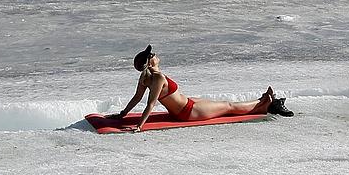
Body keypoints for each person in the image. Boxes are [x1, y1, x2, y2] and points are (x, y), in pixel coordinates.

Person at [111, 45, 292, 132]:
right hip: (187, 112)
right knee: (228, 106)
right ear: (151, 60)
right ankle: (265, 104)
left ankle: (261, 102)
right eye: (154, 54)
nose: (157, 55)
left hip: (186, 105)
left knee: (220, 104)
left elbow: (136, 98)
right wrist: (139, 126)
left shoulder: (145, 77)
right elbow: (150, 104)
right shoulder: (157, 78)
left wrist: (122, 114)